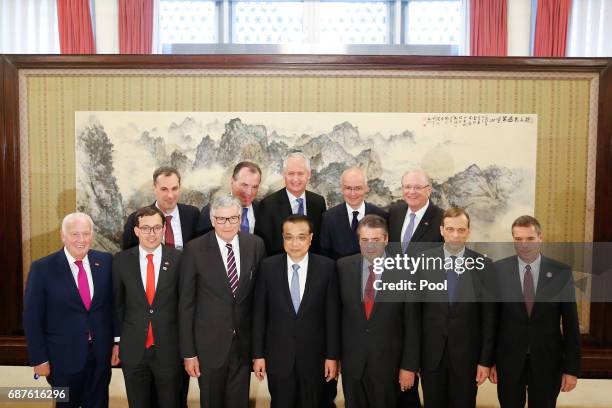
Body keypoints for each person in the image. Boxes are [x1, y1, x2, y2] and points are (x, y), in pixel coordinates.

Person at [179, 196, 266, 408]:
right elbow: (186, 304)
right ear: (212, 220)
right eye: (221, 219)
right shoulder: (194, 249)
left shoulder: (255, 245)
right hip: (209, 348)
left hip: (243, 346)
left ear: (240, 219)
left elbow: (259, 302)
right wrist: (189, 353)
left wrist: (259, 352)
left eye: (233, 218)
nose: (227, 224)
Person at [23, 212, 115, 408]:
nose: (81, 240)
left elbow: (113, 307)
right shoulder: (42, 268)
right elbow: (32, 318)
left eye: (86, 233)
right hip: (62, 359)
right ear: (63, 235)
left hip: (100, 356)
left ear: (92, 235)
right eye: (75, 234)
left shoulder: (106, 262)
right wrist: (39, 359)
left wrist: (116, 342)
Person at [490, 215, 581, 408]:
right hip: (509, 363)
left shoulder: (561, 272)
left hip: (548, 363)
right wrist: (490, 361)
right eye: (518, 239)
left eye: (530, 239)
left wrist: (571, 369)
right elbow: (493, 321)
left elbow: (571, 323)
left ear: (540, 237)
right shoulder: (498, 270)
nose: (524, 244)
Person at [252, 215, 340, 407]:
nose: (294, 243)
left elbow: (332, 316)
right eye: (289, 237)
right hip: (279, 359)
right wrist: (258, 354)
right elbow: (259, 315)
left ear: (310, 238)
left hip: (315, 359)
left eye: (301, 237)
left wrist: (332, 356)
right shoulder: (268, 267)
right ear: (282, 238)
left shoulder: (327, 267)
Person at [414, 208, 496, 408]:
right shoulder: (422, 262)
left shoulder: (484, 265)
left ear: (468, 231)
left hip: (467, 360)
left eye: (461, 230)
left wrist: (485, 361)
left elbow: (490, 319)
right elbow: (414, 316)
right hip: (431, 358)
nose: (455, 235)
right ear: (441, 230)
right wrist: (413, 360)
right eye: (450, 229)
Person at [337, 214, 418, 407]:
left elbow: (412, 324)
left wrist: (409, 366)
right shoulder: (343, 267)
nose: (370, 245)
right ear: (358, 241)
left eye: (376, 240)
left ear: (386, 239)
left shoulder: (406, 271)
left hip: (388, 365)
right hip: (353, 365)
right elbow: (336, 317)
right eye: (364, 240)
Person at [113, 206, 183, 408]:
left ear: (163, 229)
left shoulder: (179, 259)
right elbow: (117, 304)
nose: (151, 234)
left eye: (156, 228)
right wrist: (117, 341)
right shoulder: (121, 261)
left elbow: (184, 304)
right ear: (136, 231)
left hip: (169, 349)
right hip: (134, 349)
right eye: (145, 228)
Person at [255, 152, 326, 255]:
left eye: (300, 173)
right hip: (280, 268)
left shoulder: (318, 202)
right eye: (291, 173)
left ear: (309, 174)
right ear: (284, 174)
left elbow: (321, 243)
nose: (295, 179)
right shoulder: (268, 205)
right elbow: (264, 248)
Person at [122, 166, 200, 250]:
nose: (170, 195)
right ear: (154, 188)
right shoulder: (136, 219)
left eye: (174, 188)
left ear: (180, 187)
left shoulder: (193, 214)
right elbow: (129, 255)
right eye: (164, 189)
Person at [320, 167, 387, 260]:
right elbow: (325, 255)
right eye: (348, 188)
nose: (353, 193)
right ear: (342, 189)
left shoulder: (381, 216)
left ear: (366, 188)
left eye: (358, 188)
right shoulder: (329, 218)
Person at [198, 161, 262, 235]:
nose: (249, 192)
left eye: (255, 187)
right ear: (232, 182)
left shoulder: (263, 210)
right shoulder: (210, 211)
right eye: (244, 185)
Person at [388, 169, 444, 254]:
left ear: (429, 190)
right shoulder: (394, 212)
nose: (412, 192)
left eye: (417, 187)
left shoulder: (442, 218)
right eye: (407, 187)